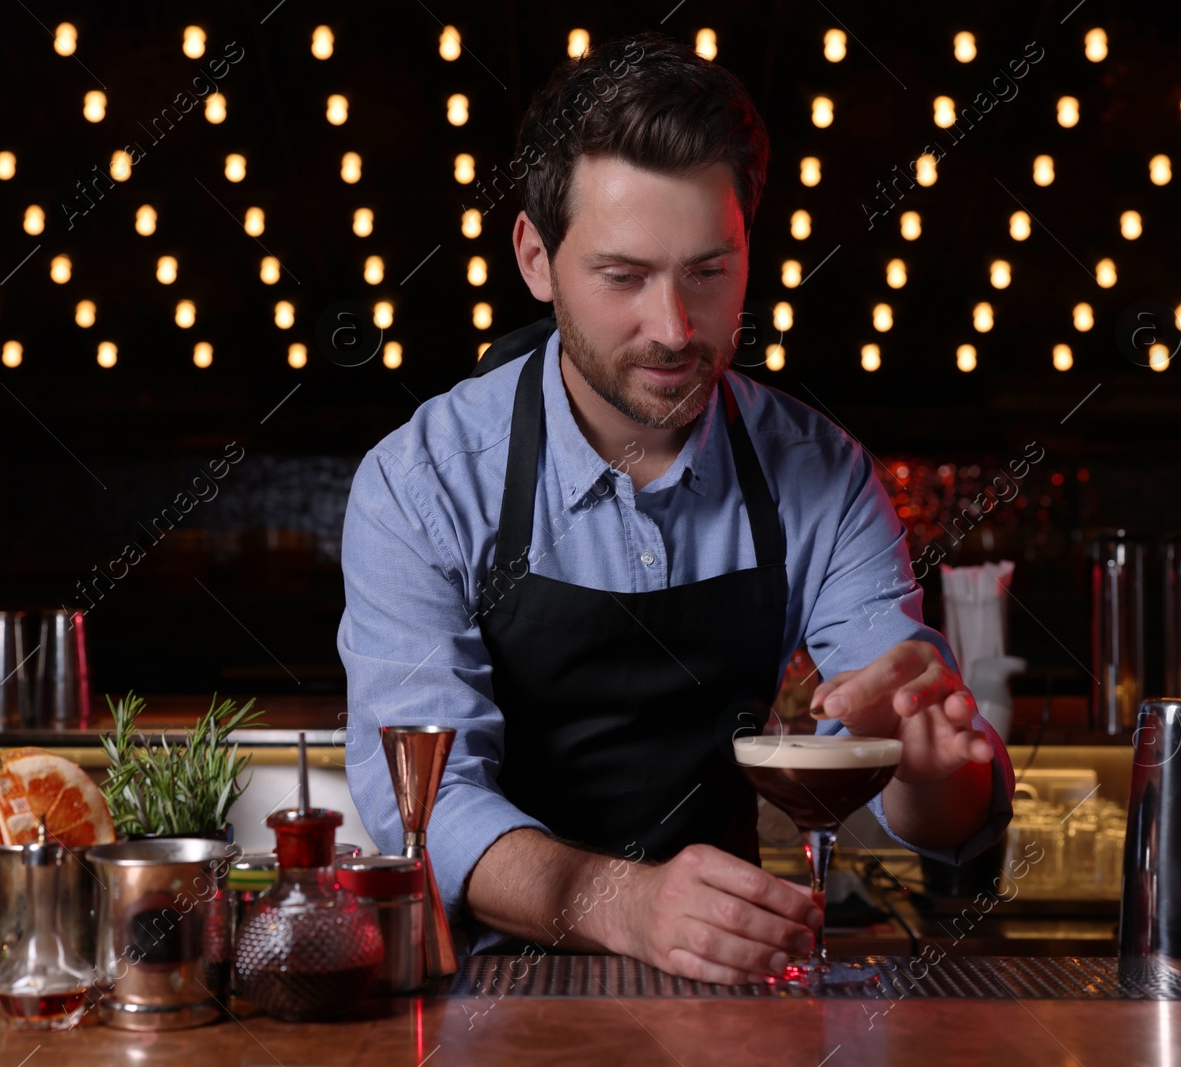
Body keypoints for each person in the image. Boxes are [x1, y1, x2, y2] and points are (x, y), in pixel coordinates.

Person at [339, 30, 1014, 985]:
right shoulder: (422, 484)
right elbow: (429, 804)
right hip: (494, 997)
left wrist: (937, 767)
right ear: (536, 259)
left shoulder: (820, 473)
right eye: (623, 277)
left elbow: (922, 807)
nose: (675, 329)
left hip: (735, 989)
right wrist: (626, 902)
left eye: (709, 272)